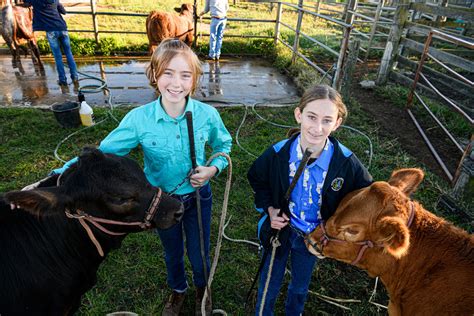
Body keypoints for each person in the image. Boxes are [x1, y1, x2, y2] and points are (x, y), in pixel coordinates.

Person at [41, 39, 232, 316]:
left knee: (200, 250)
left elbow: (223, 146)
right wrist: (61, 172)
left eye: (185, 75)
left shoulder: (207, 115)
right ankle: (178, 290)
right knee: (173, 251)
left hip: (199, 197)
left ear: (195, 79)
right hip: (161, 201)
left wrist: (212, 169)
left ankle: (203, 287)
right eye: (168, 72)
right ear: (155, 75)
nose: (176, 83)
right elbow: (101, 154)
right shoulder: (139, 120)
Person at [247, 84, 372, 315]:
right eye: (311, 117)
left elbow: (365, 195)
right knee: (269, 282)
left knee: (300, 287)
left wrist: (338, 226)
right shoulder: (277, 153)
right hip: (281, 232)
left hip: (314, 237)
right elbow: (256, 178)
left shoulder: (346, 162)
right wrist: (271, 209)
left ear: (337, 123)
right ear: (298, 115)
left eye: (327, 120)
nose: (317, 128)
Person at [24, 0, 78, 86]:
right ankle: (75, 77)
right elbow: (64, 12)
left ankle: (63, 80)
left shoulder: (36, 1)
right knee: (69, 54)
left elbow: (25, 2)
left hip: (51, 31)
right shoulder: (55, 0)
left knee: (58, 57)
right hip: (62, 29)